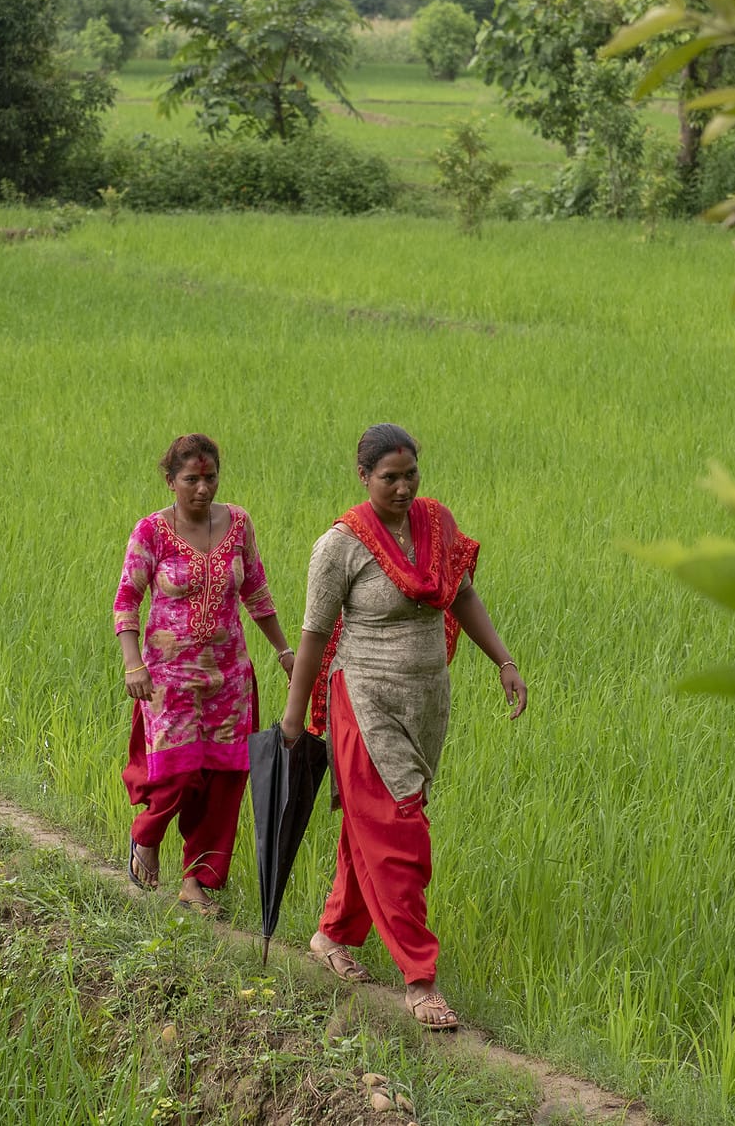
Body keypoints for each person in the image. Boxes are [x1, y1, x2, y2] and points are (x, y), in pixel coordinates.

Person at [278, 423, 529, 1030]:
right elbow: (313, 635)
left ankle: (331, 935)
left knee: (375, 825)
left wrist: (504, 662)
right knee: (400, 831)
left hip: (425, 701)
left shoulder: (434, 525)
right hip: (362, 700)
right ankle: (420, 978)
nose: (402, 487)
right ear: (363, 477)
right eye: (389, 477)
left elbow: (462, 595)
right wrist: (293, 713)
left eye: (410, 474)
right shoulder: (339, 545)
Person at [114, 433, 297, 917]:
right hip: (167, 679)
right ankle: (145, 837)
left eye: (209, 477)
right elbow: (126, 601)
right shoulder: (151, 532)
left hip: (229, 678)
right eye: (191, 479)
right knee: (176, 773)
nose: (202, 488)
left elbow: (256, 590)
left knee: (224, 779)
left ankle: (196, 882)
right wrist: (133, 664)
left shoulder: (238, 523)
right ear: (170, 481)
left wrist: (283, 651)